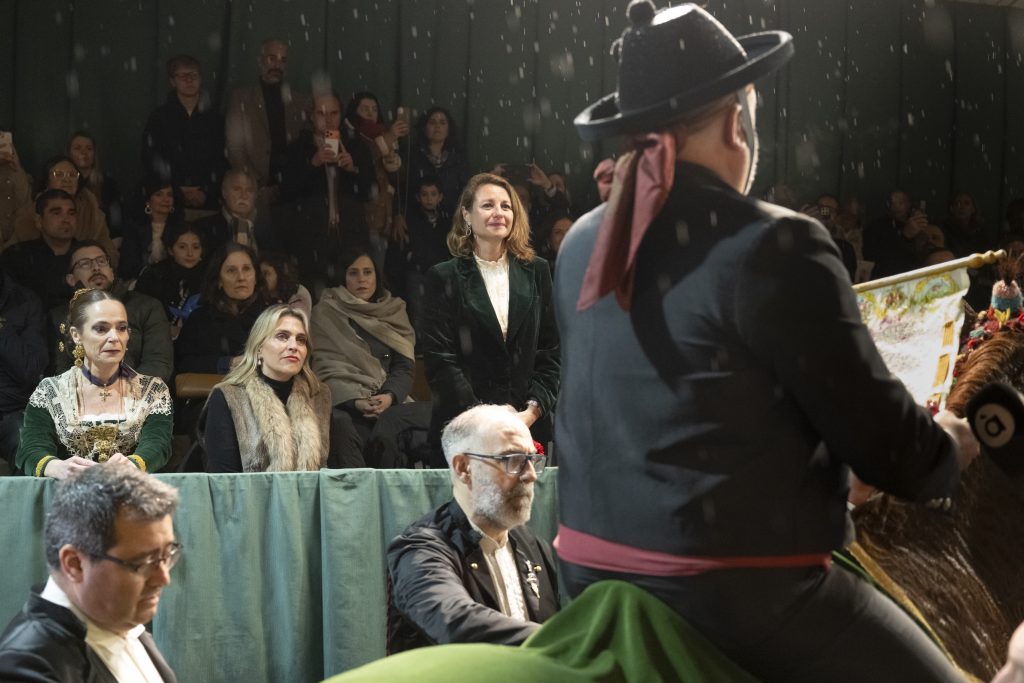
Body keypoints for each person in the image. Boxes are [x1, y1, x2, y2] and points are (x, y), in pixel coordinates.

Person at [554, 3, 979, 682]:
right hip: (739, 596)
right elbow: (895, 455)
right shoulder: (779, 241)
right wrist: (950, 448)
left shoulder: (582, 241)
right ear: (737, 119)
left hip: (585, 575)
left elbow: (678, 411)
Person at [387, 404, 559, 652]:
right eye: (513, 460)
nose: (531, 475)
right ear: (463, 468)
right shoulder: (419, 549)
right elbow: (455, 622)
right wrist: (564, 643)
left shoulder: (530, 544)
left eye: (532, 459)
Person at [420, 173, 560, 466]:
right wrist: (488, 420)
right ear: (466, 215)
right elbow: (440, 360)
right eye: (487, 205)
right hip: (464, 432)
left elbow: (551, 351)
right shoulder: (443, 276)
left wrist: (530, 412)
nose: (499, 213)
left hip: (526, 430)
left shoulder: (537, 271)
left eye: (506, 206)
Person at [0, 462, 179, 681]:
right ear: (74, 564)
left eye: (166, 555)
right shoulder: (25, 667)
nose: (163, 578)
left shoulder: (120, 620)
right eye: (142, 562)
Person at [16, 288, 173, 477]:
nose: (114, 337)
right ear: (76, 335)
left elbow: (158, 444)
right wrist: (57, 467)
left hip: (131, 489)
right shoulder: (50, 392)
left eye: (122, 328)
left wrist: (133, 464)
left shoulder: (152, 391)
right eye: (101, 329)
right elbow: (31, 450)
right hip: (68, 491)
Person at [311, 248, 429, 468]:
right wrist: (356, 402)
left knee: (431, 420)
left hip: (391, 402)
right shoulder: (326, 313)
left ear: (377, 276)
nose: (361, 279)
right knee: (344, 425)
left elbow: (403, 367)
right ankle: (362, 488)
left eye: (367, 272)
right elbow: (325, 368)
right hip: (347, 405)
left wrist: (389, 396)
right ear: (343, 277)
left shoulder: (393, 311)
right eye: (353, 273)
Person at [199, 304, 330, 472]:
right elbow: (224, 479)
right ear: (259, 348)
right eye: (282, 336)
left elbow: (335, 473)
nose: (294, 346)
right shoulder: (228, 396)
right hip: (248, 490)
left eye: (301, 340)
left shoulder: (318, 396)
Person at [278, 92, 375, 293]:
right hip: (311, 237)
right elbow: (285, 191)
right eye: (321, 113)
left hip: (351, 235)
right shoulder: (297, 148)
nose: (328, 119)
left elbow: (371, 192)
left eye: (334, 113)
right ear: (311, 116)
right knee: (314, 295)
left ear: (341, 114)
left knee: (353, 296)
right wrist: (313, 163)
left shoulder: (356, 146)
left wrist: (353, 169)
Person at [53, 241, 174, 383]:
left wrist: (121, 390)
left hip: (139, 392)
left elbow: (158, 363)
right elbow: (62, 371)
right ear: (71, 279)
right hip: (83, 393)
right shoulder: (60, 316)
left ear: (111, 272)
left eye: (102, 261)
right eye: (85, 264)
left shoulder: (147, 307)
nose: (96, 268)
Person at [225, 38, 312, 197]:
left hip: (292, 189)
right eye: (272, 58)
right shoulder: (241, 98)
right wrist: (254, 182)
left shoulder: (301, 101)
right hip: (253, 190)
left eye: (283, 60)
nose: (277, 65)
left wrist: (287, 184)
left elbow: (312, 141)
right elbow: (234, 148)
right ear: (260, 61)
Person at [141, 55, 226, 211]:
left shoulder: (215, 119)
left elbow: (221, 159)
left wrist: (205, 191)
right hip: (168, 200)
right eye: (183, 76)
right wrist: (175, 190)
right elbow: (151, 157)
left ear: (201, 78)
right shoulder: (159, 117)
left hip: (209, 201)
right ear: (172, 81)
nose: (189, 80)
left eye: (194, 75)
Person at [4, 155, 118, 262]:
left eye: (72, 174)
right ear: (46, 182)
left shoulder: (91, 210)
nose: (67, 179)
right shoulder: (33, 213)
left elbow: (110, 252)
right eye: (58, 174)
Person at [175, 243, 268, 374]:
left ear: (256, 278)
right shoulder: (200, 319)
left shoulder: (274, 318)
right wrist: (227, 363)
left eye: (247, 269)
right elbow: (184, 364)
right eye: (231, 270)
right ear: (218, 280)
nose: (241, 277)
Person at [344, 91, 409, 265]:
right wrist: (389, 138)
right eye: (364, 108)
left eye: (374, 109)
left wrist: (398, 213)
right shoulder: (350, 135)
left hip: (383, 218)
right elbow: (363, 159)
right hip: (360, 216)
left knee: (376, 271)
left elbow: (398, 180)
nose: (370, 113)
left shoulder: (384, 133)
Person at [0, 271, 48, 469]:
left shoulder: (25, 300)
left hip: (12, 410)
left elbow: (31, 369)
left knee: (31, 451)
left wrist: (2, 329)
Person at [0, 189, 78, 308]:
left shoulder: (90, 255)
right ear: (39, 221)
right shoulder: (16, 257)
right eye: (56, 213)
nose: (66, 219)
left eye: (71, 213)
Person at [134, 223, 206, 335]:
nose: (190, 253)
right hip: (159, 336)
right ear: (171, 250)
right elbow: (139, 313)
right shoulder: (153, 276)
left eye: (196, 247)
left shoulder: (209, 277)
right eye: (182, 247)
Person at [119, 175, 186, 280]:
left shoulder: (181, 227)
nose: (166, 199)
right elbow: (128, 266)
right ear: (147, 201)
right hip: (140, 280)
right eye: (159, 195)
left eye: (169, 195)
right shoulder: (134, 228)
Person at [193, 168, 275, 254]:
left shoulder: (271, 228)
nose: (243, 196)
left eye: (249, 190)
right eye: (237, 189)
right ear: (224, 193)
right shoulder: (203, 228)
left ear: (256, 196)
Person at [407, 106, 469, 218]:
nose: (437, 126)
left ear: (449, 129)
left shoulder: (458, 158)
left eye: (442, 122)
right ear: (424, 128)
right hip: (416, 218)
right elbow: (404, 188)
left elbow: (466, 189)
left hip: (450, 218)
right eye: (432, 122)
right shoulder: (412, 155)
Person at [67, 130, 123, 237]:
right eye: (77, 148)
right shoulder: (63, 183)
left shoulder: (108, 185)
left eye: (89, 149)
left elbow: (116, 224)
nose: (83, 152)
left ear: (95, 154)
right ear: (68, 152)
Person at [260, 251, 312, 316]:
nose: (261, 278)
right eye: (260, 274)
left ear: (280, 274)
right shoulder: (263, 296)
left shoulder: (298, 296)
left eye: (266, 273)